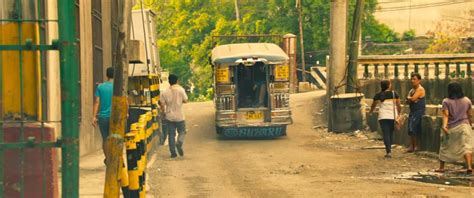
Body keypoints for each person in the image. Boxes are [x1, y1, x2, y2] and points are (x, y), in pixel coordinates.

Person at [436, 82, 472, 174]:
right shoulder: (467, 100)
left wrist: (444, 126)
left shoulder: (446, 101)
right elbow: (470, 115)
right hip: (465, 126)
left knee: (445, 146)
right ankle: (469, 166)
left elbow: (446, 115)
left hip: (452, 127)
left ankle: (441, 167)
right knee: (466, 147)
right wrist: (471, 125)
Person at [369, 80, 401, 158]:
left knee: (386, 133)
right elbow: (398, 105)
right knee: (390, 133)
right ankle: (389, 148)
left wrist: (371, 112)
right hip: (392, 116)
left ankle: (388, 151)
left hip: (383, 117)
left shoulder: (378, 95)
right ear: (389, 86)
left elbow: (373, 105)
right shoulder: (394, 94)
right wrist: (399, 114)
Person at [159, 74, 188, 158]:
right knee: (182, 131)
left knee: (171, 134)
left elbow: (162, 104)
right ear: (177, 81)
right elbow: (186, 100)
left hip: (169, 116)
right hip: (180, 116)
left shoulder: (165, 92)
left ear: (169, 81)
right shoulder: (181, 90)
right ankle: (179, 142)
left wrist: (163, 112)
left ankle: (173, 153)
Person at [92, 67, 114, 160]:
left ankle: (108, 159)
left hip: (103, 117)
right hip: (114, 117)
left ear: (106, 75)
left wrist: (93, 116)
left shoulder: (100, 87)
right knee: (114, 138)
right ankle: (113, 158)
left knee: (105, 139)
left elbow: (97, 102)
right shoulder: (117, 87)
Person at [406, 73, 426, 152]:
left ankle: (417, 146)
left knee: (415, 128)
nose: (412, 81)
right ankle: (412, 145)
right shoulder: (412, 90)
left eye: (414, 79)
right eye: (412, 79)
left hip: (418, 111)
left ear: (419, 80)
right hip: (413, 110)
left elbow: (412, 99)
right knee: (410, 128)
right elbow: (408, 99)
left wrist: (411, 99)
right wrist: (410, 99)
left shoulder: (420, 89)